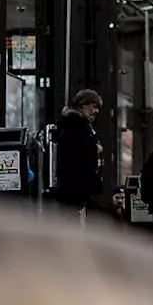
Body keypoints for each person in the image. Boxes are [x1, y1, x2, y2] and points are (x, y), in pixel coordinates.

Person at [54, 90, 104, 226]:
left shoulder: (75, 123)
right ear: (83, 105)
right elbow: (75, 149)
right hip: (75, 184)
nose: (96, 111)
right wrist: (94, 148)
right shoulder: (75, 124)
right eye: (94, 106)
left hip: (76, 185)